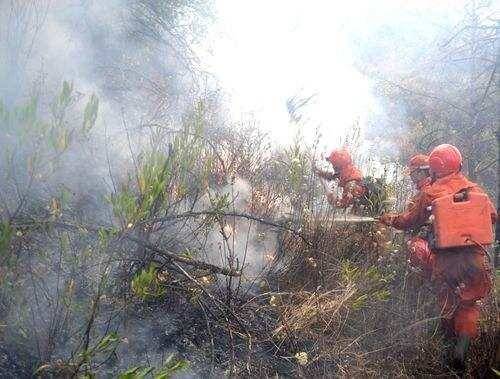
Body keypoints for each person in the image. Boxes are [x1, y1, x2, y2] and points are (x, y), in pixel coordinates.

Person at [381, 144, 497, 373]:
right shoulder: (474, 188)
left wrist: (388, 219)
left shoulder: (430, 193)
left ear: (433, 170)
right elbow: (492, 215)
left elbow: (409, 221)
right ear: (459, 164)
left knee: (446, 303)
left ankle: (448, 355)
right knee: (468, 304)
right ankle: (461, 350)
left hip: (447, 261)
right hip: (474, 258)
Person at [381, 154, 434, 280]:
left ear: (421, 173)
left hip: (431, 246)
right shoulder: (436, 187)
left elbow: (410, 220)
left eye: (413, 174)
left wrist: (389, 219)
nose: (411, 177)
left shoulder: (426, 193)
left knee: (416, 251)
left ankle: (418, 291)